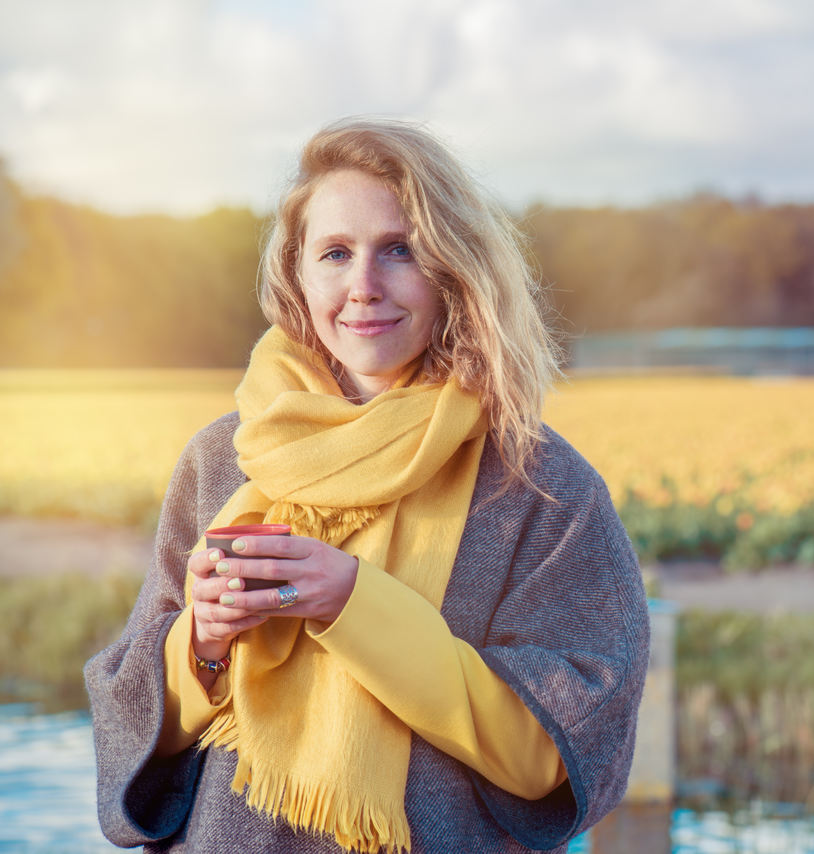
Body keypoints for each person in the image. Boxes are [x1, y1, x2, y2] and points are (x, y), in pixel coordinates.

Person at [85, 117, 650, 853]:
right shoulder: (221, 457)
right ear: (298, 273)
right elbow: (130, 713)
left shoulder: (541, 485)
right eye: (335, 253)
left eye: (399, 250)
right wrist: (205, 642)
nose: (363, 287)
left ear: (453, 266)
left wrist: (353, 603)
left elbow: (557, 752)